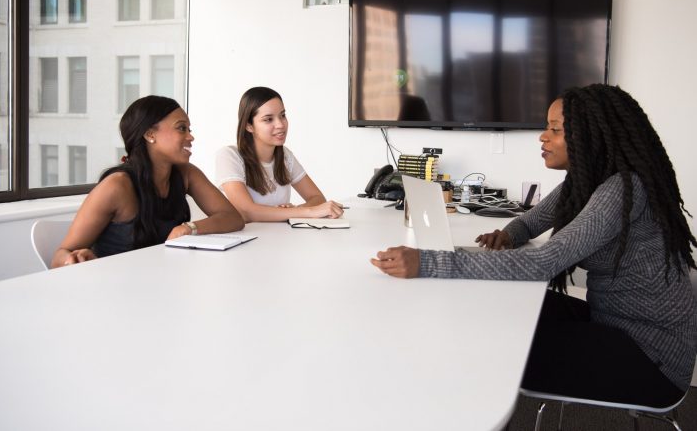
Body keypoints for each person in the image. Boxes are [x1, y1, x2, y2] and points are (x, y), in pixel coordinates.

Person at [371, 84, 697, 406]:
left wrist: (428, 262)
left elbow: (543, 262)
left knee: (491, 347)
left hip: (649, 358)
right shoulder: (585, 184)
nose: (543, 136)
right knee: (500, 309)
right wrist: (510, 235)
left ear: (591, 135)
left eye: (555, 129)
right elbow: (530, 221)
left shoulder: (621, 189)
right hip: (612, 322)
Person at [52, 96, 244, 268]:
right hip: (116, 290)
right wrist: (74, 260)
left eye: (189, 129)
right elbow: (59, 258)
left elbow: (232, 218)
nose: (190, 136)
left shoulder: (187, 174)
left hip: (160, 283)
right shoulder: (116, 186)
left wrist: (188, 228)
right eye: (181, 128)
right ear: (150, 134)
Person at [216, 86, 343, 222]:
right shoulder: (229, 156)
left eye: (282, 115)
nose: (280, 124)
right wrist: (301, 212)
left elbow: (317, 198)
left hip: (280, 239)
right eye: (268, 119)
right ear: (249, 125)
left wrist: (292, 212)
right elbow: (247, 211)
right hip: (249, 240)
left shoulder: (285, 156)